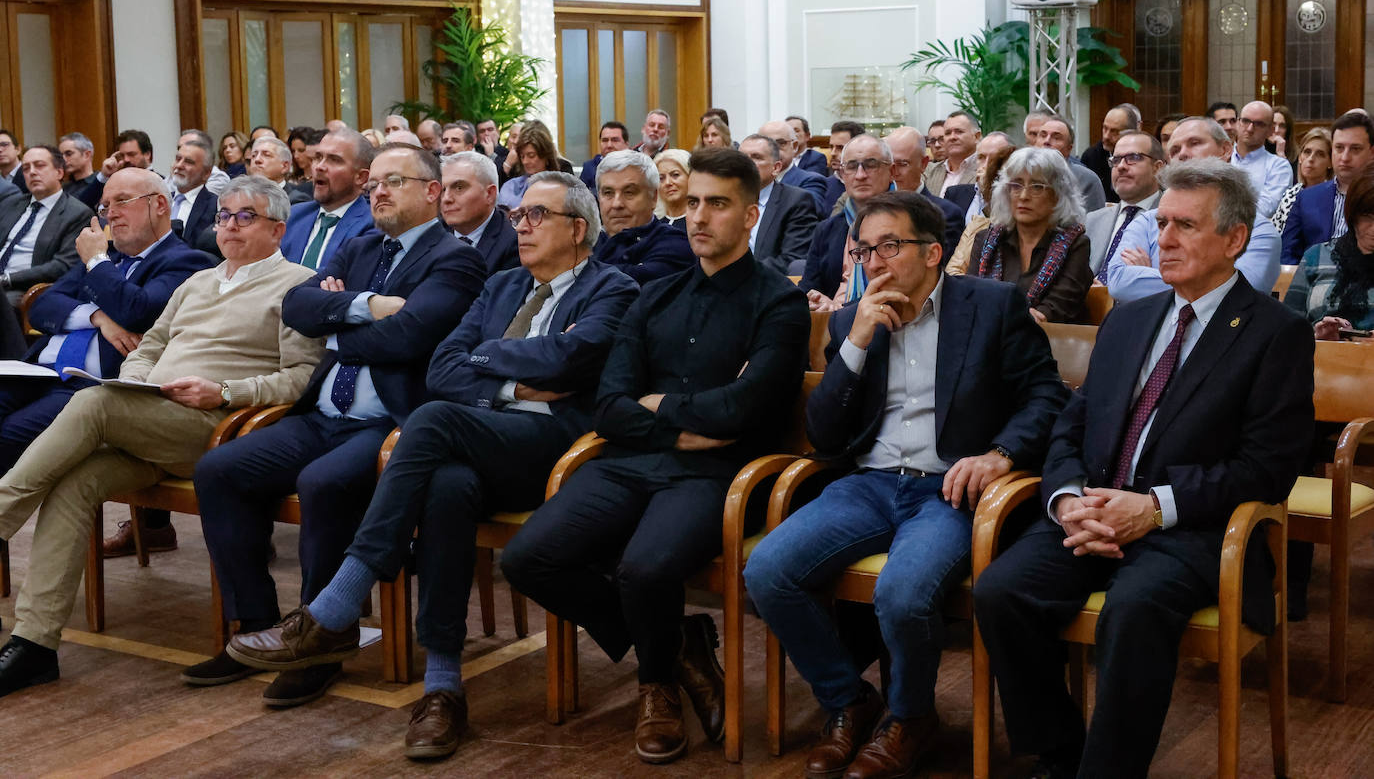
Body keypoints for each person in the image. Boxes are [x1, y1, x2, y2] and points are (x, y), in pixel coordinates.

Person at [227, 171, 638, 759]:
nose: (521, 227)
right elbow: (444, 367)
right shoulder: (500, 285)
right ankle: (444, 686)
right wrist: (513, 383)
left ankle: (337, 605)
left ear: (578, 228)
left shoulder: (613, 289)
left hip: (555, 452)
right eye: (519, 217)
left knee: (429, 421)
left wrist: (487, 359)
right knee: (446, 485)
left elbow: (571, 357)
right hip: (488, 432)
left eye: (537, 217)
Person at [973, 157, 1314, 779]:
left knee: (1133, 612)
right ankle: (1059, 752)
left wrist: (1155, 506)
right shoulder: (1129, 319)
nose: (1165, 240)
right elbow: (1073, 424)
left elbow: (1267, 469)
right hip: (1094, 510)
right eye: (1161, 224)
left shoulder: (1276, 334)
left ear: (1235, 239)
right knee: (1000, 591)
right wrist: (1068, 497)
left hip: (1194, 529)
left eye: (1185, 226)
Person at [501, 146, 809, 765]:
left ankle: (656, 687)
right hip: (627, 463)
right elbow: (609, 407)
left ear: (750, 215)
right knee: (528, 558)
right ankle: (676, 651)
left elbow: (743, 413)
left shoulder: (778, 302)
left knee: (645, 568)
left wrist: (657, 406)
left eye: (717, 204)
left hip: (719, 475)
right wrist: (683, 417)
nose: (698, 217)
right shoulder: (654, 295)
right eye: (691, 202)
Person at [745, 191, 1068, 779]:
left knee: (902, 594)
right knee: (768, 571)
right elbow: (824, 433)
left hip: (950, 488)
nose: (875, 261)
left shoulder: (991, 306)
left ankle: (910, 716)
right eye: (865, 249)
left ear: (933, 252)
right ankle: (848, 700)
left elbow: (1047, 397)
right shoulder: (852, 317)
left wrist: (1001, 454)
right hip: (867, 483)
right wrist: (856, 342)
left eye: (890, 246)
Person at [0, 175, 327, 697]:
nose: (230, 226)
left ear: (278, 228)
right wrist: (134, 384)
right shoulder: (197, 282)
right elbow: (148, 347)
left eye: (246, 217)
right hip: (151, 417)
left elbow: (299, 378)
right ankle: (34, 646)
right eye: (223, 217)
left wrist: (222, 390)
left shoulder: (298, 285)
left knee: (93, 402)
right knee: (74, 482)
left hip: (213, 427)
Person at [186, 144, 487, 706]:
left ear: (432, 191)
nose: (378, 191)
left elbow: (413, 335)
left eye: (395, 181)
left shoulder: (456, 258)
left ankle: (323, 641)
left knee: (322, 484)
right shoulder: (360, 244)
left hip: (388, 425)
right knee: (219, 469)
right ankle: (256, 627)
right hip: (322, 413)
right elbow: (297, 306)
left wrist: (338, 316)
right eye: (375, 182)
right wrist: (372, 305)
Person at [0, 168, 214, 486]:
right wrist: (97, 318)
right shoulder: (106, 257)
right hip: (40, 374)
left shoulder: (187, 262)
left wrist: (97, 262)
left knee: (7, 436)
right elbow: (43, 306)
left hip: (94, 387)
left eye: (122, 201)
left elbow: (137, 311)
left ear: (159, 205)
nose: (110, 214)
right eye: (104, 206)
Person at [1107, 117, 1282, 302]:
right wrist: (1208, 280)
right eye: (1174, 150)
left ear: (1225, 149)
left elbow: (1240, 291)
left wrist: (1152, 273)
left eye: (1194, 143)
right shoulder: (1147, 221)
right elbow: (1119, 282)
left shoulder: (1257, 231)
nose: (1182, 154)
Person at [971, 148, 1093, 323]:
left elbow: (1055, 309)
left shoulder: (1076, 245)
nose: (1023, 196)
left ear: (1058, 195)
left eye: (1037, 186)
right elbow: (970, 298)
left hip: (1050, 342)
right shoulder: (985, 240)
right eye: (1016, 185)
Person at [802, 134, 893, 310]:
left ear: (891, 171)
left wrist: (841, 310)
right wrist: (817, 301)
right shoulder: (827, 229)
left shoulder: (910, 222)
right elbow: (809, 288)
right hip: (832, 326)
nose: (860, 175)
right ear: (843, 175)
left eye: (871, 165)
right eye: (852, 167)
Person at [0, 145, 94, 306]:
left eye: (40, 165)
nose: (32, 172)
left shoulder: (77, 213)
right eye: (26, 168)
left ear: (59, 172)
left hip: (26, 288)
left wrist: (7, 279)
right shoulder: (11, 204)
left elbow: (61, 266)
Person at [1285, 172, 1374, 338]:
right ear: (1353, 216)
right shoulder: (1317, 255)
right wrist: (1316, 335)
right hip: (1318, 358)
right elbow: (1287, 325)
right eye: (1368, 217)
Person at [1282, 111, 1374, 263]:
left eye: (1355, 149)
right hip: (1313, 280)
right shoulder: (1307, 198)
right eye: (1339, 148)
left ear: (1372, 153)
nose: (1345, 158)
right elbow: (1288, 254)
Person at [592, 151, 695, 284]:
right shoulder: (584, 243)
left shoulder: (675, 245)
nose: (617, 204)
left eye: (629, 192)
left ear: (653, 197)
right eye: (608, 193)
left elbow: (625, 286)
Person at [281, 129, 375, 270]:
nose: (319, 167)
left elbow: (343, 276)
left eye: (334, 160)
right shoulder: (294, 215)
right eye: (318, 158)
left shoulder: (372, 224)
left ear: (361, 177)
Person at [1085, 131, 1164, 279]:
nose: (1121, 166)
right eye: (1116, 160)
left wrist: (1145, 277)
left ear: (1157, 167)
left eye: (1133, 158)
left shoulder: (1172, 219)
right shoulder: (1093, 220)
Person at [738, 133, 819, 274]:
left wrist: (741, 273)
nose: (746, 164)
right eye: (742, 158)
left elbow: (792, 259)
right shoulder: (725, 200)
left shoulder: (796, 201)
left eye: (756, 157)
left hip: (768, 286)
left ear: (776, 168)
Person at [946, 134, 1015, 275]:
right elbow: (954, 267)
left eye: (996, 159)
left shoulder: (1018, 202)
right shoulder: (955, 194)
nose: (987, 164)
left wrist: (991, 190)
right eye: (981, 157)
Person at [441, 151, 519, 274]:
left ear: (489, 194)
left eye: (459, 187)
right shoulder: (431, 235)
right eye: (443, 189)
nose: (446, 198)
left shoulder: (513, 244)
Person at [1230, 101, 1292, 218]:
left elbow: (1265, 209)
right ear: (1238, 123)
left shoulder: (1279, 166)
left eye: (1258, 124)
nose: (1250, 128)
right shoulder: (1221, 158)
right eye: (1245, 121)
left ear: (1270, 130)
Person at [1034, 116, 1107, 211]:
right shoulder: (1021, 173)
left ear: (1069, 149)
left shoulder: (1087, 180)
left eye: (1056, 137)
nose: (1046, 141)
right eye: (1043, 135)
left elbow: (1095, 222)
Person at [1272, 128, 1333, 234]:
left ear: (1330, 163)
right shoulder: (1290, 194)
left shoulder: (1334, 197)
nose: (1311, 159)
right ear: (1300, 157)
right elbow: (1275, 233)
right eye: (1307, 152)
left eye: (1320, 154)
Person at [760, 120, 827, 212]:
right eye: (767, 144)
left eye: (780, 143)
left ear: (794, 146)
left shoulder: (811, 181)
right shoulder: (750, 181)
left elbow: (808, 212)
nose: (773, 150)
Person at [496, 122, 563, 211]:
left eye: (531, 155)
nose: (525, 161)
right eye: (522, 156)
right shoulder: (511, 186)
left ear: (546, 155)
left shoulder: (561, 187)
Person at [1079, 105, 1137, 199]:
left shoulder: (1141, 157)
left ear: (1131, 133)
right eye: (1105, 128)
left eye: (1114, 131)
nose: (1106, 136)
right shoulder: (1091, 156)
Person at [920, 111, 980, 198]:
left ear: (976, 136)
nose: (952, 137)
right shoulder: (932, 172)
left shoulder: (986, 171)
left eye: (959, 131)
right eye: (948, 133)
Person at [248, 136, 313, 205]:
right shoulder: (242, 196)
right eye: (253, 155)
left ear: (285, 166)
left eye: (266, 155)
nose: (257, 160)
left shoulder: (295, 200)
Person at [579, 121, 630, 188]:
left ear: (626, 144)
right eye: (605, 140)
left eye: (615, 140)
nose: (609, 145)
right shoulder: (589, 168)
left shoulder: (635, 168)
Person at [58, 133, 101, 209]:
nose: (63, 160)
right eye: (61, 156)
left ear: (86, 155)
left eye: (69, 154)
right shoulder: (62, 188)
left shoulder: (101, 183)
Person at [654, 149, 692, 228]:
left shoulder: (700, 223)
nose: (667, 183)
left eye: (675, 175)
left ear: (690, 176)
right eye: (661, 178)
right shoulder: (653, 227)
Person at [1271, 104, 1297, 173]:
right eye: (1273, 124)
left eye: (1282, 126)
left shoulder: (1296, 156)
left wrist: (1281, 155)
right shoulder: (1257, 150)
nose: (1276, 130)